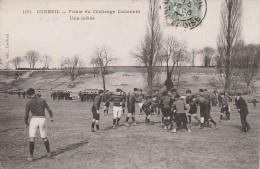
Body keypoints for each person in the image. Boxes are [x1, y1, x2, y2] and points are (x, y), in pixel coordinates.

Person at [24, 88, 54, 162]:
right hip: (42, 119)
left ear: (28, 95)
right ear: (35, 92)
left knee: (32, 138)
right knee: (44, 137)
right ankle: (48, 153)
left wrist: (26, 123)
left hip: (34, 120)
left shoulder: (29, 102)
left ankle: (31, 156)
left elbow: (26, 115)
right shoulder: (42, 100)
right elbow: (49, 110)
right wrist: (51, 117)